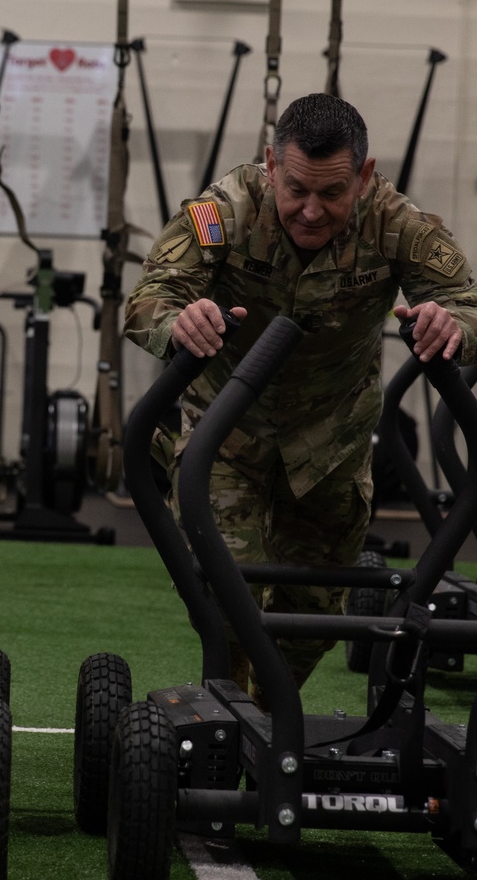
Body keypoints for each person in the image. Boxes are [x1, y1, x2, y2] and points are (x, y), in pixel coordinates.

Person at [124, 93, 477, 703]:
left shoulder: (396, 222)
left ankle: (270, 718)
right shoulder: (224, 210)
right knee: (224, 598)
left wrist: (454, 326)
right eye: (295, 190)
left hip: (332, 445)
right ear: (270, 164)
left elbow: (467, 303)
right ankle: (229, 716)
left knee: (313, 612)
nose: (311, 211)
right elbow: (149, 296)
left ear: (363, 178)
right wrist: (180, 320)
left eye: (333, 194)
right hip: (226, 437)